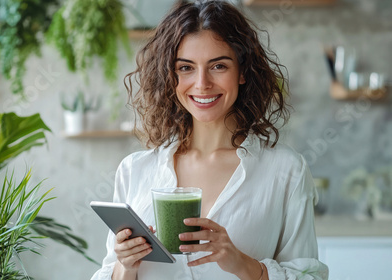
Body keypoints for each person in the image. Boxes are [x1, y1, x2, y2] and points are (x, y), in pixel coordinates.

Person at [91, 1, 329, 279]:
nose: (202, 83)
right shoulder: (135, 171)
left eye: (218, 66)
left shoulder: (285, 171)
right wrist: (125, 265)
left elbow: (310, 276)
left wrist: (244, 265)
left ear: (242, 72)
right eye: (186, 68)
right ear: (170, 77)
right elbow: (111, 272)